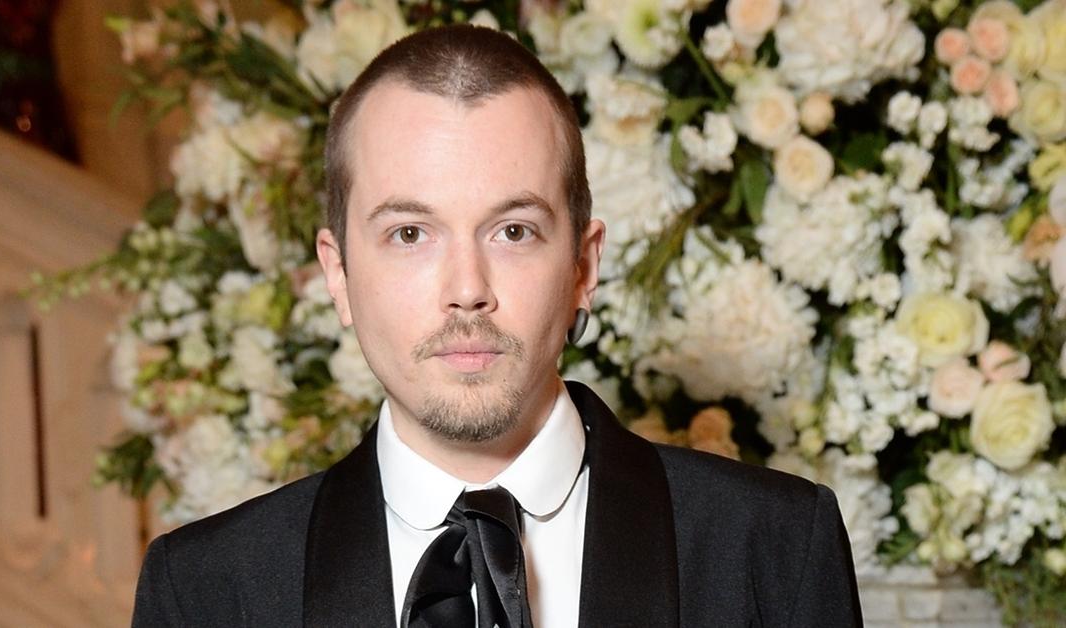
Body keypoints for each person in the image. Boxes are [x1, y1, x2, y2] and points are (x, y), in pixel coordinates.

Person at [131, 24, 862, 627]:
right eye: (410, 234)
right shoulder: (202, 591)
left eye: (513, 231)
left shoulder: (776, 549)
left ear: (583, 267)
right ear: (338, 273)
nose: (467, 292)